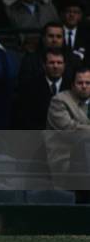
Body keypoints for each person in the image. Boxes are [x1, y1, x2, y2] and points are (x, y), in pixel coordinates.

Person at [46, 66, 90, 203]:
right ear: (72, 84)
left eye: (88, 83)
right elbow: (70, 130)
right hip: (66, 158)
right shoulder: (59, 101)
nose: (84, 86)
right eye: (80, 83)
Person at [16, 48, 69, 130]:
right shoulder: (30, 87)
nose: (55, 66)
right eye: (51, 63)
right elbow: (25, 118)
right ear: (44, 65)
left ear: (64, 65)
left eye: (59, 63)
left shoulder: (72, 87)